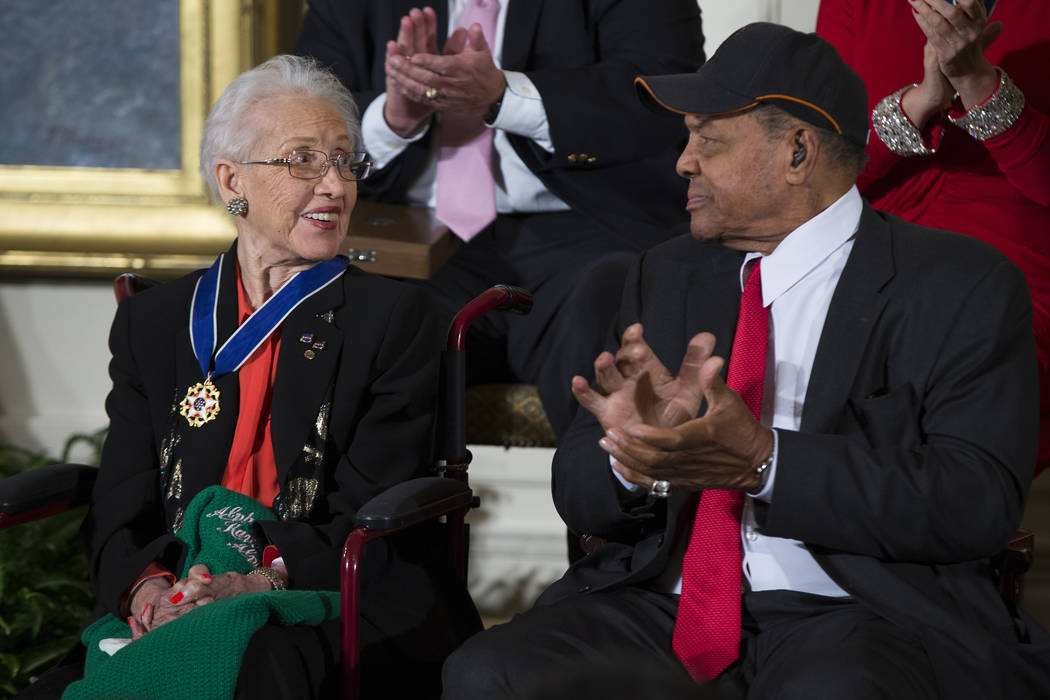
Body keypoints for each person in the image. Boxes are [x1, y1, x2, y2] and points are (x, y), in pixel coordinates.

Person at [441, 23, 1050, 698]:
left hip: (862, 612)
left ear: (797, 151)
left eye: (709, 136)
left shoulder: (957, 285)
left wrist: (767, 462)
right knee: (486, 675)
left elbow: (976, 500)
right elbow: (578, 492)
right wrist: (632, 455)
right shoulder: (662, 276)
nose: (683, 160)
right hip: (661, 605)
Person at [64, 55, 479, 699]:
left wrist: (248, 583)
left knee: (262, 667)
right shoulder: (154, 321)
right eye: (303, 160)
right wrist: (151, 588)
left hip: (332, 590)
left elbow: (373, 506)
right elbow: (124, 494)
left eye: (345, 161)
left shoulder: (393, 319)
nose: (335, 186)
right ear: (233, 181)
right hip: (179, 587)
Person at [295, 1, 705, 436]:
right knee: (359, 331)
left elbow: (662, 93)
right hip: (414, 240)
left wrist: (505, 95)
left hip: (591, 237)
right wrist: (392, 119)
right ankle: (372, 505)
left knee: (617, 307)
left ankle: (618, 492)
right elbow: (304, 109)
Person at [817, 0, 1050, 476]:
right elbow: (822, 171)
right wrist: (920, 103)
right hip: (869, 248)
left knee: (946, 394)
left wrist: (979, 84)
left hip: (1018, 264)